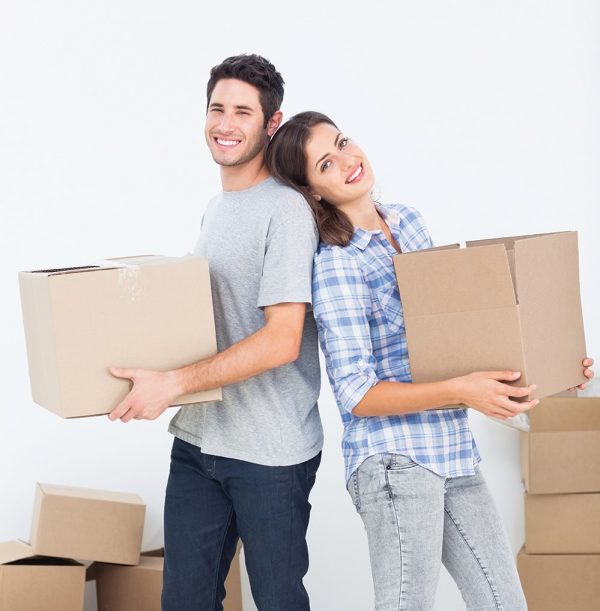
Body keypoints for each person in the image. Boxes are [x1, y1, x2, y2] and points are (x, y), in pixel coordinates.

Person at [265, 110, 595, 611]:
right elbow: (356, 393)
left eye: (344, 143)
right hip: (395, 461)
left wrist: (550, 367)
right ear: (313, 192)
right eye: (327, 165)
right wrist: (464, 392)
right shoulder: (337, 263)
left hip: (453, 449)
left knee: (504, 604)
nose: (349, 161)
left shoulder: (408, 220)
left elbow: (454, 335)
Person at [108, 56, 323, 611]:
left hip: (269, 453)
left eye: (243, 112)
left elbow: (281, 339)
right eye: (217, 108)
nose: (225, 124)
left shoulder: (287, 210)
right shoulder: (218, 208)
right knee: (184, 600)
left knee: (277, 600)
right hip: (200, 441)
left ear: (271, 124)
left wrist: (172, 383)